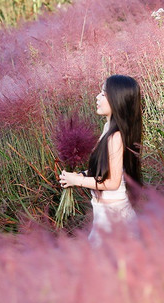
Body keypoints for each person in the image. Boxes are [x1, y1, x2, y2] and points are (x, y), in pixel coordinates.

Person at [58, 74, 143, 244]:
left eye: (103, 94)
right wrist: (81, 175)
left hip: (115, 218)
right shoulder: (108, 128)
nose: (97, 97)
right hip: (104, 213)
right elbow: (106, 168)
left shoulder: (115, 137)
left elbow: (112, 182)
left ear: (117, 100)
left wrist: (77, 181)